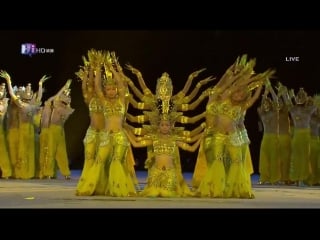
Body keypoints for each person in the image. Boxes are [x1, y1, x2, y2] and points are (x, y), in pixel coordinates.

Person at [193, 54, 275, 198]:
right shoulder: (222, 98)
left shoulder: (242, 106)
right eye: (235, 92)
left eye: (241, 94)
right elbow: (228, 85)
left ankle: (236, 189)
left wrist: (260, 85)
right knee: (217, 162)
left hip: (234, 136)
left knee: (237, 163)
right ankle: (217, 188)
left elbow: (253, 97)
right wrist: (239, 75)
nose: (237, 95)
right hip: (217, 135)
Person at [76, 50, 137, 197]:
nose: (110, 91)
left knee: (117, 161)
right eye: (108, 89)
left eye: (112, 88)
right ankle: (93, 187)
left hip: (119, 137)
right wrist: (97, 69)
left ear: (116, 89)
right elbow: (96, 87)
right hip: (105, 137)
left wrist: (112, 69)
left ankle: (118, 188)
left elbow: (122, 84)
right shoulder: (103, 102)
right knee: (99, 160)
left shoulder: (121, 100)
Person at [125, 110, 203, 197]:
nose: (164, 127)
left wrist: (201, 138)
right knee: (152, 194)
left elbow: (192, 149)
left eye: (167, 125)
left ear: (171, 127)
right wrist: (126, 133)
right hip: (156, 174)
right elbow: (136, 144)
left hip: (169, 173)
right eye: (162, 125)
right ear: (158, 127)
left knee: (168, 194)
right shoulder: (154, 140)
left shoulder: (174, 141)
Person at [0, 70, 49, 179]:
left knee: (30, 152)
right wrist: (9, 81)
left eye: (30, 90)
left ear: (31, 94)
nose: (28, 91)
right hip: (22, 130)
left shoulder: (32, 106)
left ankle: (30, 173)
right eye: (26, 89)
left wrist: (40, 85)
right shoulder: (20, 104)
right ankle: (21, 173)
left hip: (30, 130)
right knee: (22, 152)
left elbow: (39, 97)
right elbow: (12, 94)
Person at [75, 50, 106, 188]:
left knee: (101, 160)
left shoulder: (105, 100)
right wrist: (89, 72)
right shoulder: (89, 99)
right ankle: (87, 182)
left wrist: (98, 70)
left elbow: (98, 85)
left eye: (95, 87)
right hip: (92, 133)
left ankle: (100, 183)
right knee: (89, 158)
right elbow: (84, 86)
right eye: (91, 87)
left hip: (104, 134)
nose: (92, 88)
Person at [39, 79, 74, 179]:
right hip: (51, 130)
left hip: (60, 130)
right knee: (50, 151)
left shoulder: (64, 108)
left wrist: (66, 90)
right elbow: (57, 96)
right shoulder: (52, 103)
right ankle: (47, 173)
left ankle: (66, 173)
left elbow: (66, 105)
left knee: (62, 152)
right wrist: (64, 87)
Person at [0, 82, 12, 179]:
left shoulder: (5, 103)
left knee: (2, 152)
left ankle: (6, 173)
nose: (2, 89)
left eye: (3, 88)